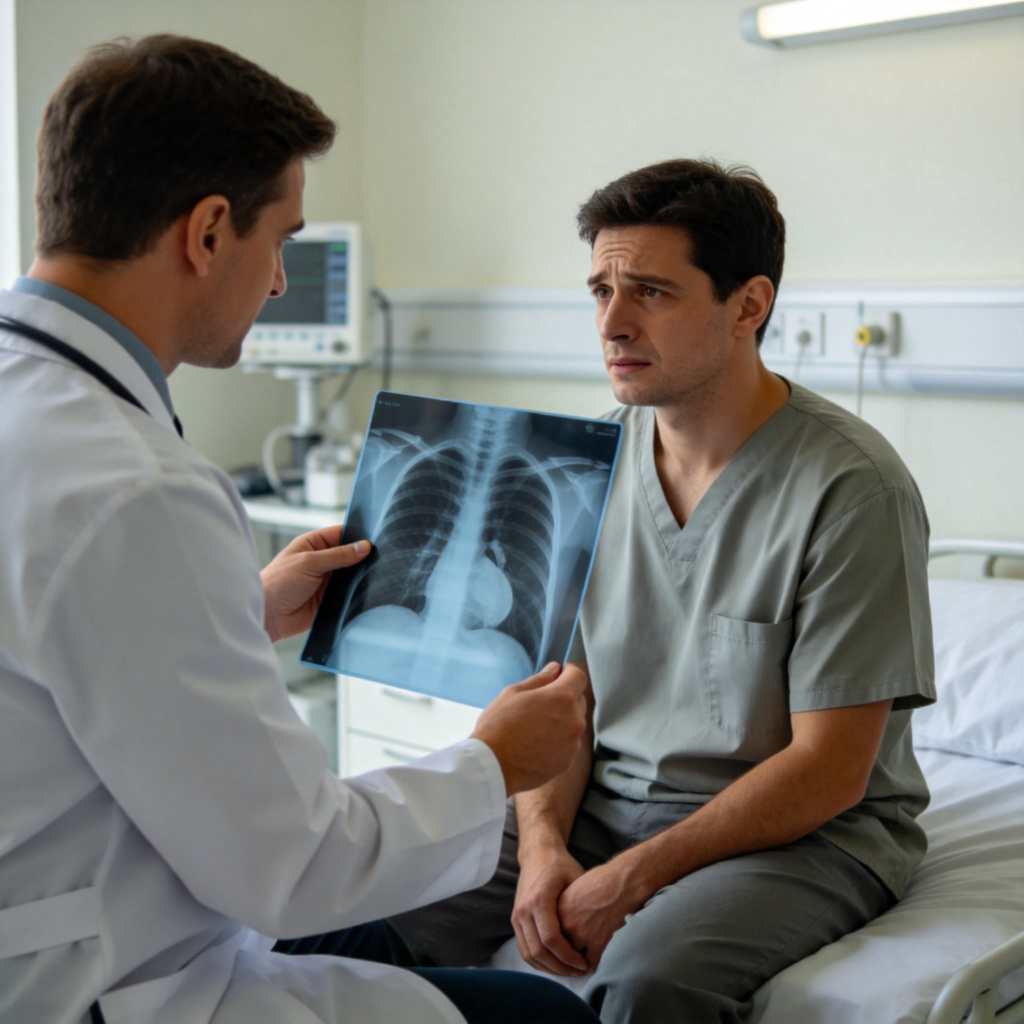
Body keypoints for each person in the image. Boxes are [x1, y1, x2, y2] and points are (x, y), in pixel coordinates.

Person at [0, 34, 602, 1024]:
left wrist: (238, 609)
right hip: (98, 983)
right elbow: (293, 866)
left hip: (62, 915)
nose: (280, 281)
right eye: (281, 239)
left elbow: (51, 645)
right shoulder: (138, 489)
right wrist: (494, 761)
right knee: (549, 1016)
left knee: (383, 942)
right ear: (207, 232)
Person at [380, 159, 937, 1023]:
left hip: (801, 836)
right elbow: (561, 701)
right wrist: (541, 851)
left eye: (650, 291)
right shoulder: (588, 465)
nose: (612, 323)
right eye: (601, 290)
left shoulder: (851, 488)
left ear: (747, 306)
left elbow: (829, 771)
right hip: (602, 800)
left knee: (642, 984)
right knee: (362, 909)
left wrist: (631, 878)